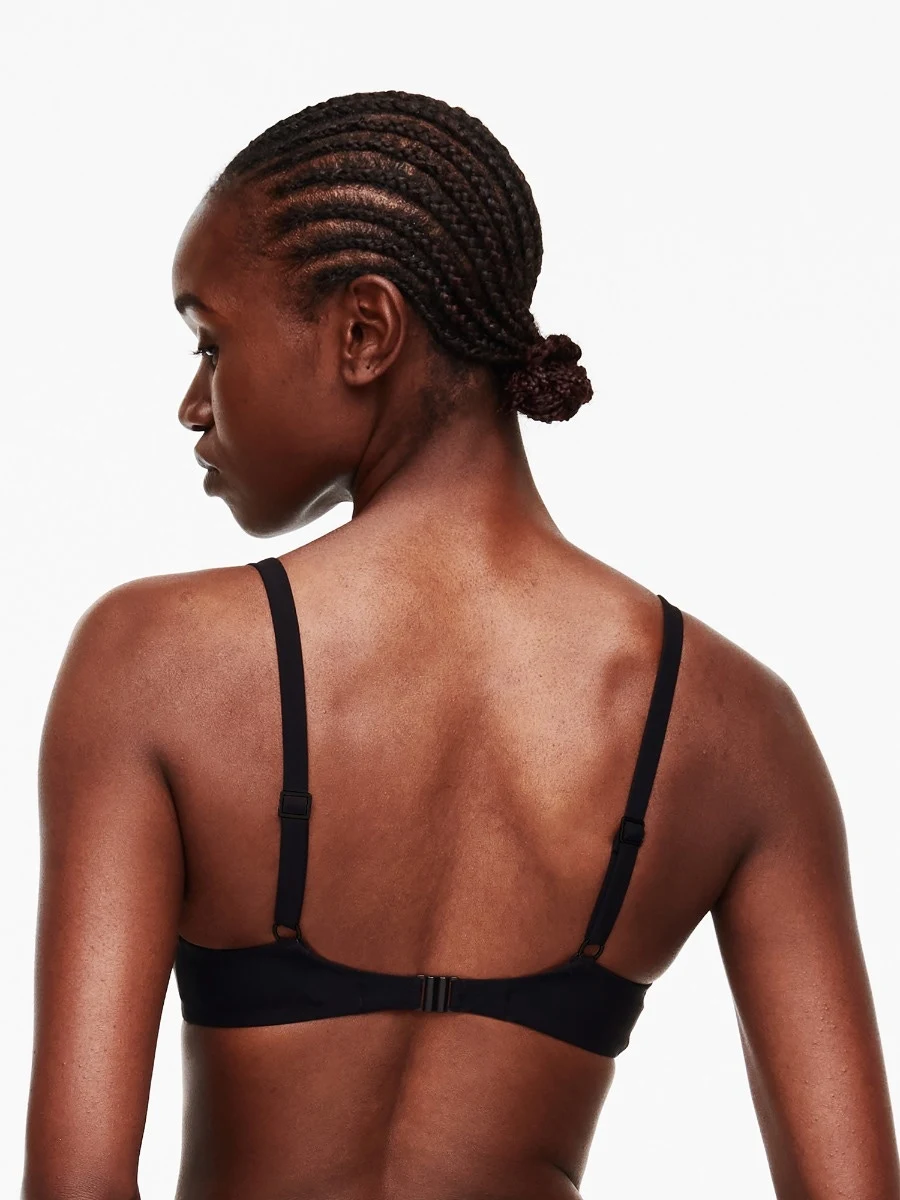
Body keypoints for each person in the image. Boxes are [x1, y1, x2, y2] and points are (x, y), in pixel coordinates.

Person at [22, 90, 899, 1200]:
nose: (193, 404)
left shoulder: (153, 665)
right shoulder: (735, 726)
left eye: (210, 341)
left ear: (365, 332)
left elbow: (75, 1187)